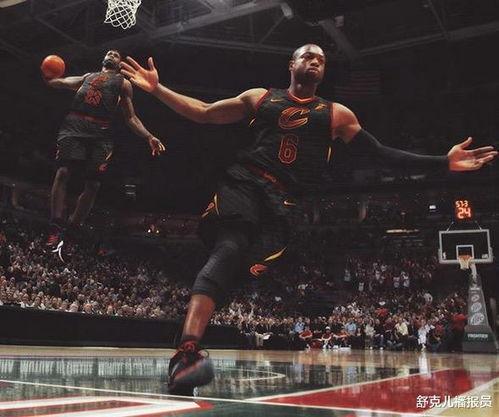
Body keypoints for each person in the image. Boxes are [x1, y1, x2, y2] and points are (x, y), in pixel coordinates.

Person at [120, 43, 497, 395]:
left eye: (321, 59)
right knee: (228, 248)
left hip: (284, 201)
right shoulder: (260, 98)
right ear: (292, 64)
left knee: (240, 270)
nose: (315, 61)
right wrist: (157, 90)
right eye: (308, 56)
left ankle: (195, 330)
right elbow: (203, 112)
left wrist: (442, 162)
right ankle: (187, 349)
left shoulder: (337, 115)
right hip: (245, 183)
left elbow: (381, 154)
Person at [44, 50, 165, 260]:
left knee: (93, 185)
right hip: (74, 125)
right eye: (109, 52)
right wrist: (49, 79)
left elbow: (131, 118)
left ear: (119, 64)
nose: (111, 54)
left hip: (101, 131)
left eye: (116, 55)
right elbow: (62, 82)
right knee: (63, 172)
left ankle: (72, 230)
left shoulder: (123, 84)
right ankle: (55, 226)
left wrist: (148, 136)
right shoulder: (87, 77)